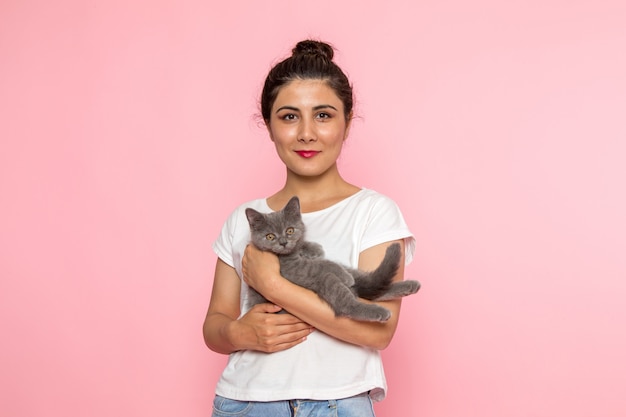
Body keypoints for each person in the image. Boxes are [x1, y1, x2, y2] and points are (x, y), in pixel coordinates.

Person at [203, 39, 416, 417]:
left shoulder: (373, 212)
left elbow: (378, 330)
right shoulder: (243, 218)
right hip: (246, 401)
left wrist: (273, 286)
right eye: (288, 116)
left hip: (339, 402)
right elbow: (215, 325)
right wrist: (239, 333)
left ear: (346, 124)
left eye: (323, 115)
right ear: (268, 125)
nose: (306, 133)